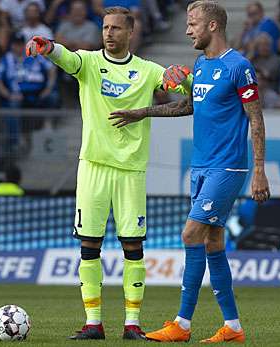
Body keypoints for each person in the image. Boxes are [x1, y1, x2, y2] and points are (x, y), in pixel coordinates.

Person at [109, 1, 271, 343]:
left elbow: (256, 118)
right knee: (213, 241)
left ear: (213, 26)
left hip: (227, 167)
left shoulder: (239, 67)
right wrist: (143, 112)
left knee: (190, 234)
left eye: (193, 23)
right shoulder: (201, 64)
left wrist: (259, 169)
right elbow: (187, 106)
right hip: (201, 166)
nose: (187, 30)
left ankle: (181, 324)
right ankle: (234, 327)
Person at [26, 6, 190, 340]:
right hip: (93, 167)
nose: (109, 33)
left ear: (131, 33)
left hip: (131, 169)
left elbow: (183, 93)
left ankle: (132, 324)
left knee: (133, 246)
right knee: (89, 245)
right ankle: (94, 323)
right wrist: (48, 47)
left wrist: (184, 77)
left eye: (116, 28)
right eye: (105, 27)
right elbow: (67, 59)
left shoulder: (146, 71)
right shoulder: (89, 63)